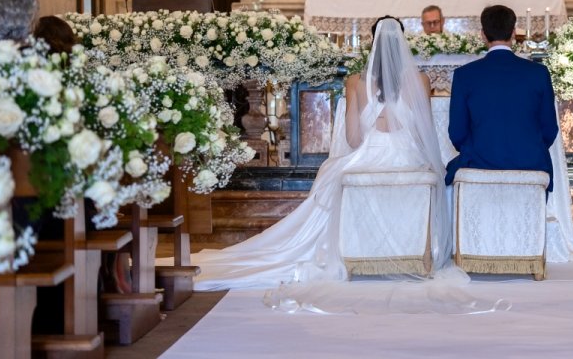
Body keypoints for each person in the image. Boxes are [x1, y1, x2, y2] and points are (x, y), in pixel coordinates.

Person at [191, 16, 452, 291]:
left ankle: (351, 249)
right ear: (402, 43)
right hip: (407, 156)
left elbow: (353, 139)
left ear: (371, 44)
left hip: (369, 154)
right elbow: (425, 137)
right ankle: (409, 248)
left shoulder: (354, 82)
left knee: (331, 172)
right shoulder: (421, 80)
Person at [446, 5, 559, 191]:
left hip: (479, 164)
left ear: (483, 34)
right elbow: (549, 129)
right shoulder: (538, 73)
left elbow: (457, 133)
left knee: (450, 180)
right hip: (531, 164)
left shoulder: (464, 75)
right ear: (514, 33)